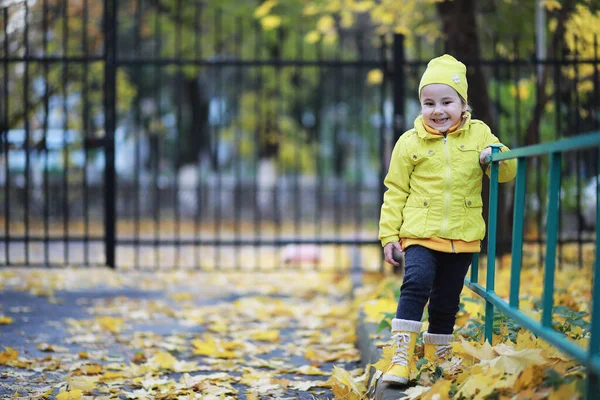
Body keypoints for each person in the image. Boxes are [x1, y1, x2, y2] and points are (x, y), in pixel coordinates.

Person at [378, 54, 517, 385]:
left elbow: (507, 172)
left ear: (463, 104)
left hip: (463, 235)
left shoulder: (480, 134)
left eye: (446, 101)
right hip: (419, 234)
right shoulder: (409, 142)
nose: (437, 110)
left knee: (445, 301)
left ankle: (436, 359)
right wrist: (389, 236)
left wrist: (493, 157)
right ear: (421, 105)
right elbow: (394, 190)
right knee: (416, 284)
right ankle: (401, 358)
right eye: (428, 103)